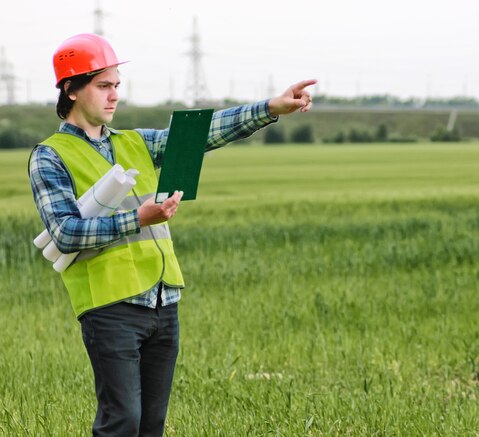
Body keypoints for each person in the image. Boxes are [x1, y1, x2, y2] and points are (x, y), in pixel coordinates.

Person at [29, 32, 315, 437]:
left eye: (117, 86)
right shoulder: (50, 155)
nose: (114, 96)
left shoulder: (136, 143)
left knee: (151, 425)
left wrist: (271, 108)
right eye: (104, 86)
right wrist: (138, 220)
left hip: (164, 303)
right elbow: (65, 233)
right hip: (110, 308)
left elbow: (205, 134)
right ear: (71, 89)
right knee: (122, 421)